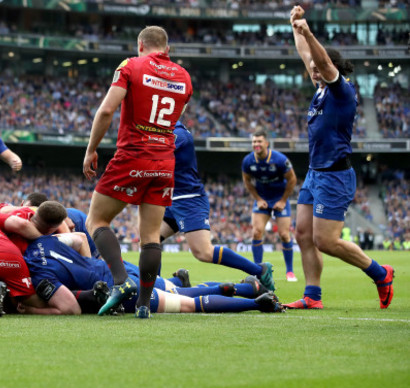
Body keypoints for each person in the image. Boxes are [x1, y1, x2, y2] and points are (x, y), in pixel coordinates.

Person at [288, 5, 393, 309]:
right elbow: (308, 57)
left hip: (335, 174)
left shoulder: (341, 91)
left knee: (327, 241)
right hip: (315, 173)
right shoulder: (320, 89)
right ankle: (312, 296)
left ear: (331, 68)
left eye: (320, 67)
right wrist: (295, 27)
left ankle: (379, 273)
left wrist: (308, 31)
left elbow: (318, 59)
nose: (313, 69)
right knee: (303, 234)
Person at [83, 26, 192, 318]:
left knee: (96, 219)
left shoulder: (131, 65)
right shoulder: (184, 76)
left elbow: (107, 110)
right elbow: (173, 118)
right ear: (167, 49)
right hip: (165, 161)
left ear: (140, 44)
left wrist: (91, 148)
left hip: (134, 154)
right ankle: (144, 304)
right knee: (151, 235)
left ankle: (120, 282)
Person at [21, 234, 284, 316]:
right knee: (177, 291)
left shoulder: (36, 270)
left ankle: (256, 302)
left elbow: (70, 309)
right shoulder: (44, 241)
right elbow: (79, 237)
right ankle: (249, 288)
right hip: (118, 269)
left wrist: (31, 310)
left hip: (118, 289)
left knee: (187, 304)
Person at [161, 121, 276, 290]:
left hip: (188, 199)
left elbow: (154, 154)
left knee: (203, 252)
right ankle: (154, 290)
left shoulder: (178, 133)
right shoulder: (160, 128)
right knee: (150, 241)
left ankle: (259, 270)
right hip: (171, 198)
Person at [241, 128, 298, 282]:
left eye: (259, 141)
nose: (256, 144)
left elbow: (292, 179)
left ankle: (290, 271)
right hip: (263, 199)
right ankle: (257, 271)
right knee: (256, 232)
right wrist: (258, 198)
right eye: (254, 141)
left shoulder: (280, 160)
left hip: (280, 198)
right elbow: (247, 181)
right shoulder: (248, 161)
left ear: (266, 143)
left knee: (284, 235)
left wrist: (283, 200)